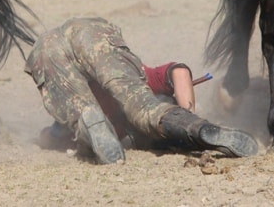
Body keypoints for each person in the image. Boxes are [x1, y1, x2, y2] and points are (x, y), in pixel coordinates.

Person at [25, 17, 259, 164]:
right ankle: (196, 127)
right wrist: (188, 111)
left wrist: (49, 134)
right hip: (86, 36)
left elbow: (179, 71)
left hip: (57, 43)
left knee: (79, 112)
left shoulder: (138, 98)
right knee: (143, 107)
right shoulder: (145, 86)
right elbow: (179, 71)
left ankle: (85, 118)